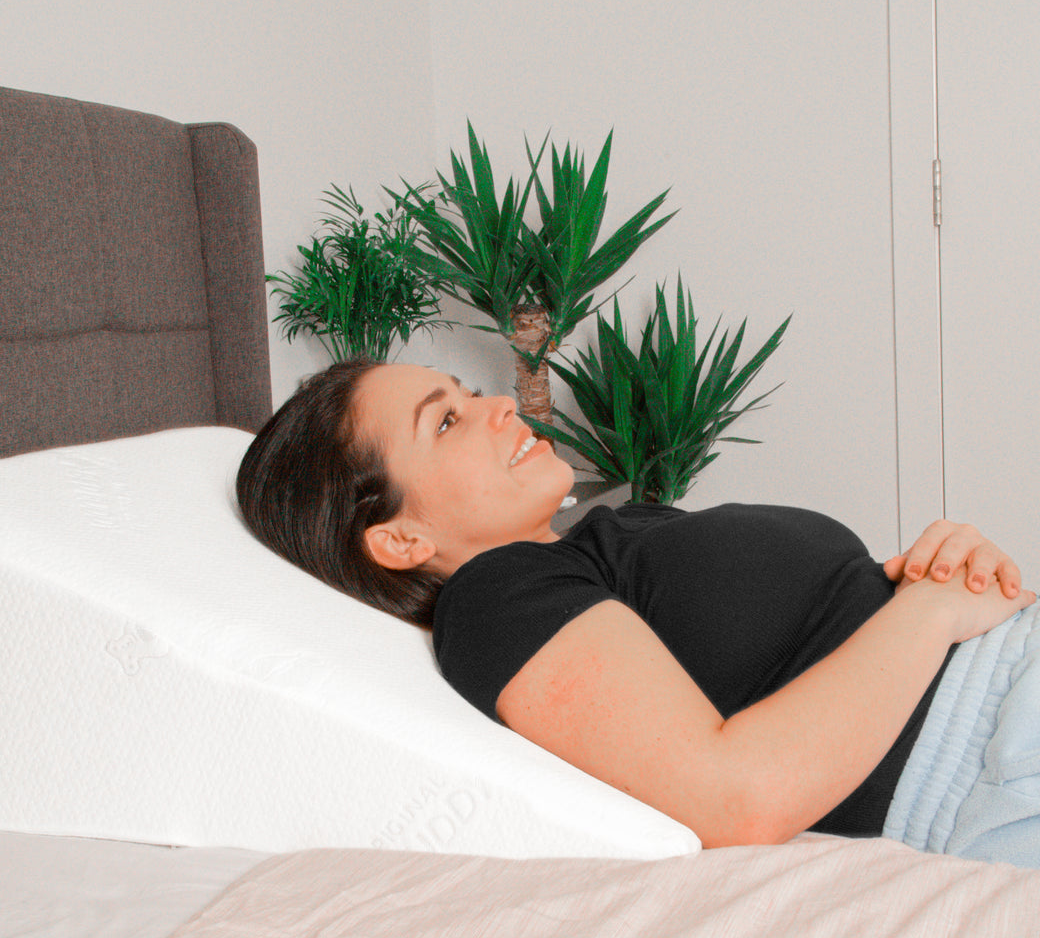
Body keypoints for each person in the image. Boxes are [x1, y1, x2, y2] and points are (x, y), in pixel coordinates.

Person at [237, 357, 1040, 865]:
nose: (499, 408)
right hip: (990, 756)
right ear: (401, 538)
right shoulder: (496, 600)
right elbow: (740, 797)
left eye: (469, 392)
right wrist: (930, 617)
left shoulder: (605, 538)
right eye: (445, 421)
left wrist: (956, 570)